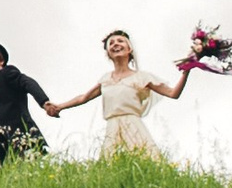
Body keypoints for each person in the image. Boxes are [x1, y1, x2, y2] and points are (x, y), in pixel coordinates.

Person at [46, 29, 187, 159]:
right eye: (111, 43)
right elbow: (84, 98)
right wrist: (59, 106)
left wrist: (187, 71)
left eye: (120, 41)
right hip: (112, 128)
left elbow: (173, 93)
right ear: (108, 53)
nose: (115, 44)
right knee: (111, 166)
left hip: (133, 126)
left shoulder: (141, 77)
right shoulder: (106, 79)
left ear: (129, 48)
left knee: (144, 160)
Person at [0, 41, 58, 165]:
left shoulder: (7, 73)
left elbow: (27, 82)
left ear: (1, 61)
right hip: (10, 154)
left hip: (27, 142)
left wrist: (45, 102)